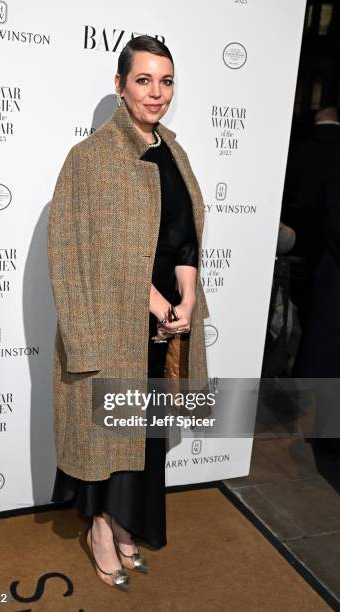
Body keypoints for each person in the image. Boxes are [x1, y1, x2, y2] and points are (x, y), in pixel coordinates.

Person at [47, 35, 209, 591]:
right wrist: (160, 304)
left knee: (145, 437)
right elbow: (82, 255)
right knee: (110, 437)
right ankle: (99, 528)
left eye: (166, 81)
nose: (156, 93)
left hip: (166, 328)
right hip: (114, 323)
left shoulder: (175, 153)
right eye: (143, 80)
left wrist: (186, 300)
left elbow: (185, 240)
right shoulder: (90, 158)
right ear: (119, 86)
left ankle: (122, 523)